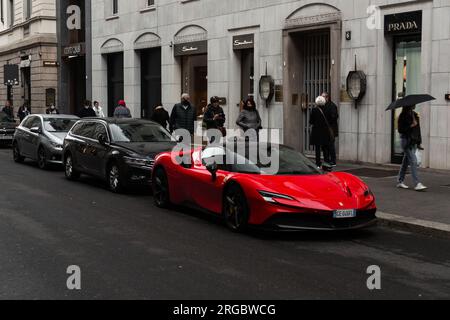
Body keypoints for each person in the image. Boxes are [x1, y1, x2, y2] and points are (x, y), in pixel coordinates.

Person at [397, 105, 427, 191]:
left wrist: (419, 142)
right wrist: (411, 125)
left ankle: (400, 181)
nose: (415, 105)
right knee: (413, 161)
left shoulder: (415, 114)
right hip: (406, 141)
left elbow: (418, 129)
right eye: (413, 104)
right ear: (409, 106)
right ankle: (417, 183)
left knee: (405, 162)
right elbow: (400, 129)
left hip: (413, 141)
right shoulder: (403, 115)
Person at [310, 96, 334, 168]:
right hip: (325, 132)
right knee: (325, 148)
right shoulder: (328, 110)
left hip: (317, 132)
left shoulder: (314, 110)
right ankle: (326, 162)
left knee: (317, 148)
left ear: (316, 102)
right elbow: (331, 120)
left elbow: (311, 121)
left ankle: (318, 163)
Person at [322, 92, 339, 166]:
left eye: (323, 97)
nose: (322, 98)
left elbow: (334, 117)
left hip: (330, 129)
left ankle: (333, 161)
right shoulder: (322, 106)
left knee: (330, 145)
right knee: (324, 146)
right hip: (325, 129)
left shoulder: (332, 106)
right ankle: (326, 160)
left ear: (327, 98)